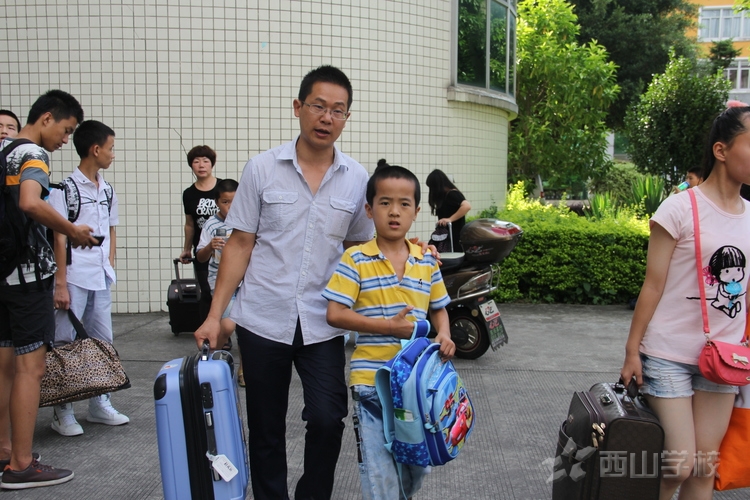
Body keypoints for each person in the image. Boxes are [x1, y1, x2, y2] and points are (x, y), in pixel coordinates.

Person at [194, 65, 375, 500]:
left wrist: (409, 254)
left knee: (329, 418)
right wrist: (215, 316)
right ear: (298, 107)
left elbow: (361, 248)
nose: (327, 117)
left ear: (347, 117)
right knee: (266, 427)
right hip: (263, 316)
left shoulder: (356, 179)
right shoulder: (262, 168)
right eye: (318, 106)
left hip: (323, 321)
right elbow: (239, 244)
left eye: (338, 110)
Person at [620, 104, 750, 500]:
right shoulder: (679, 208)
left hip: (724, 359)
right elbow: (653, 286)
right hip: (668, 353)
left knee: (704, 466)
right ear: (721, 150)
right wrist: (632, 351)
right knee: (678, 464)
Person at [323, 164, 455, 499]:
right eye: (384, 203)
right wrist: (388, 327)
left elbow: (439, 307)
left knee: (416, 467)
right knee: (380, 474)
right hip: (371, 384)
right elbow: (335, 314)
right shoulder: (355, 259)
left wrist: (444, 334)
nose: (394, 211)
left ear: (416, 212)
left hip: (416, 386)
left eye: (404, 204)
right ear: (369, 210)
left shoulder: (426, 260)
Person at [0, 90, 97, 490]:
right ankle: (21, 465)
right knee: (30, 368)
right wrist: (72, 230)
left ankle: (5, 451)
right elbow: (29, 202)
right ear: (46, 119)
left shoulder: (3, 152)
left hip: (3, 274)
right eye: (66, 129)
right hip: (27, 277)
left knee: (5, 367)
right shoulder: (32, 154)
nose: (65, 139)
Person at [48, 120, 129, 437]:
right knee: (64, 342)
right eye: (111, 148)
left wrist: (110, 263)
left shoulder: (107, 190)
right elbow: (58, 237)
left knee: (102, 341)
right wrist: (60, 283)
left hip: (100, 276)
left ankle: (99, 403)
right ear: (95, 150)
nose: (113, 154)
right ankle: (62, 410)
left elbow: (111, 229)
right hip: (73, 277)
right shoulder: (64, 190)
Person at [195, 178, 244, 385]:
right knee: (228, 326)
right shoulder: (212, 224)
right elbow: (200, 257)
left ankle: (243, 369)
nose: (230, 206)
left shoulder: (247, 221)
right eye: (225, 202)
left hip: (245, 280)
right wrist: (210, 247)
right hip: (220, 280)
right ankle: (211, 357)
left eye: (234, 201)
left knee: (245, 327)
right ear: (217, 202)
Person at [178, 145, 221, 329]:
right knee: (206, 292)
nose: (201, 165)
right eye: (196, 162)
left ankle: (225, 332)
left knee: (225, 292)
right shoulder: (189, 194)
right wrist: (187, 249)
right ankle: (209, 332)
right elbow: (190, 224)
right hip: (203, 250)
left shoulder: (223, 188)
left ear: (212, 164)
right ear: (191, 166)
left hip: (225, 249)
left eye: (205, 161)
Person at [425, 169, 471, 251]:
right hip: (447, 237)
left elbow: (467, 206)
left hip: (454, 238)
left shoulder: (452, 194)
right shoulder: (444, 196)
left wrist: (450, 219)